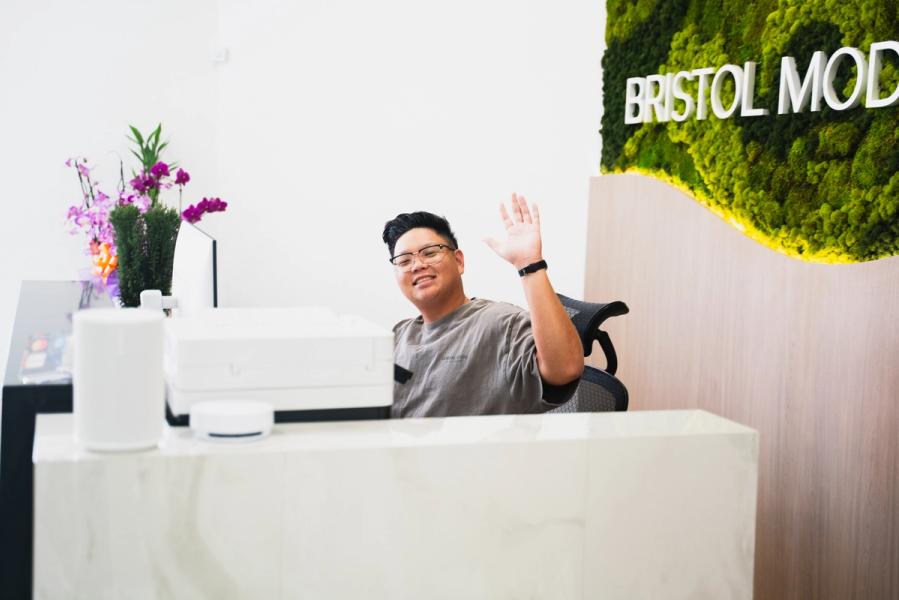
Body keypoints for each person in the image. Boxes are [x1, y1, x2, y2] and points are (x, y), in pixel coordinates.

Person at [382, 193, 584, 418]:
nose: (417, 265)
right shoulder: (399, 334)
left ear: (459, 261)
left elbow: (565, 368)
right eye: (404, 260)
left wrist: (529, 265)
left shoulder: (501, 323)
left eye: (430, 253)